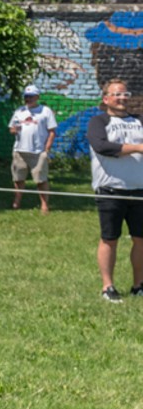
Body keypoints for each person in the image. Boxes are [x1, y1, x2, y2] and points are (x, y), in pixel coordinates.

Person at [87, 78, 143, 302]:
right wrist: (137, 147)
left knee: (141, 239)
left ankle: (139, 285)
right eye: (117, 94)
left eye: (125, 94)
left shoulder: (139, 120)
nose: (122, 98)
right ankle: (107, 287)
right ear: (106, 98)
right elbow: (102, 147)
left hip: (140, 190)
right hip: (110, 190)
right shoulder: (98, 122)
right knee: (110, 238)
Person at [9, 84, 58, 213]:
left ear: (37, 97)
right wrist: (14, 130)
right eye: (26, 96)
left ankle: (44, 205)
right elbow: (11, 129)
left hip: (38, 152)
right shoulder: (19, 111)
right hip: (19, 150)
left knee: (40, 180)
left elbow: (52, 132)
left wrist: (46, 150)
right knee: (18, 179)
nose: (28, 99)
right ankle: (17, 202)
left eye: (31, 96)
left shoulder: (45, 111)